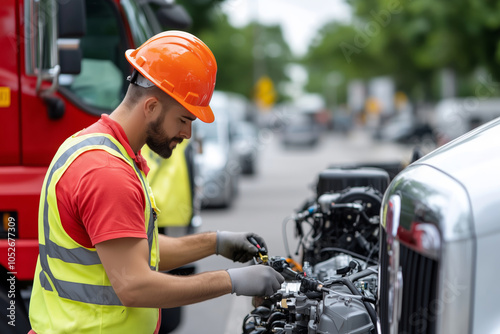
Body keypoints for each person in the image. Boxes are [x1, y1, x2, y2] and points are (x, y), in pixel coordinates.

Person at [28, 31, 284, 334]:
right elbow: (134, 286)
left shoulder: (94, 146)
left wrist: (216, 242)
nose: (187, 134)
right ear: (151, 107)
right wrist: (232, 281)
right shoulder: (108, 171)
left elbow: (135, 247)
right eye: (184, 120)